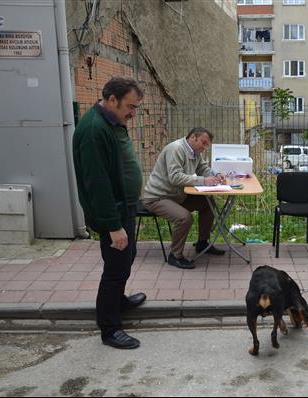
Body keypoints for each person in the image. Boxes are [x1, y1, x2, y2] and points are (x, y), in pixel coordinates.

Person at [73, 76, 147, 349]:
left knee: (127, 257)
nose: (133, 113)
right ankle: (110, 328)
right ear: (112, 100)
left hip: (123, 206)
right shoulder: (94, 131)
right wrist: (113, 226)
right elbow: (98, 182)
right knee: (115, 268)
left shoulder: (112, 121)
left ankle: (119, 302)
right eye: (130, 106)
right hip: (112, 212)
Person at [142, 127, 226, 269]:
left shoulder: (194, 152)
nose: (205, 148)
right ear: (193, 137)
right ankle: (175, 256)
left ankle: (202, 243)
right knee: (184, 218)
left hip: (177, 196)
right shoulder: (176, 149)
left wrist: (215, 175)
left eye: (207, 145)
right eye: (203, 143)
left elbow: (203, 168)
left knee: (208, 202)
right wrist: (204, 181)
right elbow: (175, 177)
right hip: (158, 197)